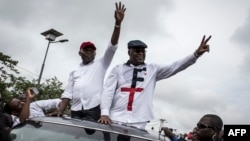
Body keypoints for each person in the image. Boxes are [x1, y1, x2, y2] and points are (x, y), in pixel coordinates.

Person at [98, 35, 212, 129]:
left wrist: (196, 54)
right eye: (137, 51)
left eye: (143, 51)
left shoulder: (153, 69)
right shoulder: (118, 69)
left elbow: (175, 67)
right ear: (129, 52)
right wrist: (104, 113)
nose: (141, 53)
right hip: (115, 118)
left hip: (139, 121)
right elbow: (108, 92)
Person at [57, 2, 126, 121]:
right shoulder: (74, 70)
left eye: (92, 50)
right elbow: (68, 92)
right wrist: (60, 111)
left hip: (93, 108)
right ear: (80, 52)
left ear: (95, 53)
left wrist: (117, 24)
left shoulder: (101, 63)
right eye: (86, 49)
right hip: (75, 109)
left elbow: (112, 47)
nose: (89, 51)